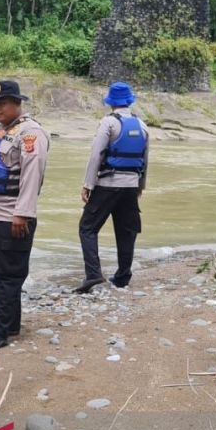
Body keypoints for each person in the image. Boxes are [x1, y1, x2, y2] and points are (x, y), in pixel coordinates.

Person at [0, 80, 50, 352]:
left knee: (8, 276)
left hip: (12, 217)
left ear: (18, 103)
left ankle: (0, 331)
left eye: (2, 103)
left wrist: (23, 215)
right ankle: (9, 322)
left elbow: (31, 176)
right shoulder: (0, 132)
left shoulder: (30, 134)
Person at [75, 82, 149, 293]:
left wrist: (88, 184)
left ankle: (93, 274)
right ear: (129, 101)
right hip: (130, 186)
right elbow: (145, 160)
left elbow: (96, 154)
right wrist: (140, 187)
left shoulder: (108, 123)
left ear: (111, 102)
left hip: (108, 184)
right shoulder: (142, 125)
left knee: (87, 228)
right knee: (127, 231)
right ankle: (123, 276)